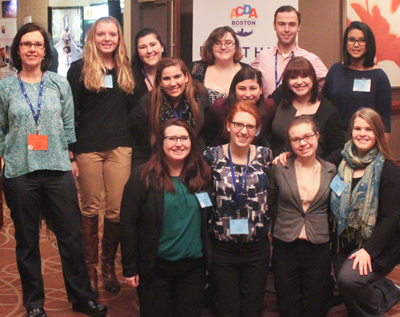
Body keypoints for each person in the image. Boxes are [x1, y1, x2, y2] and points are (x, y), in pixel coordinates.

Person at [0, 22, 106, 317]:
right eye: (26, 44)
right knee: (27, 241)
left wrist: (72, 157)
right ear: (17, 50)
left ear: (46, 50)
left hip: (58, 168)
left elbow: (69, 125)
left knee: (71, 236)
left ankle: (82, 297)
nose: (32, 49)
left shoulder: (59, 84)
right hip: (20, 171)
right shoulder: (5, 86)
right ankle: (34, 304)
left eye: (38, 44)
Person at [67, 16, 134, 297]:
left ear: (119, 38)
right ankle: (90, 269)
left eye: (113, 34)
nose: (108, 39)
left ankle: (108, 266)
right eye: (102, 34)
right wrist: (70, 152)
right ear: (93, 37)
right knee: (90, 208)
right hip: (88, 147)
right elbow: (69, 113)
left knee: (117, 209)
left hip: (120, 146)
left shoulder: (126, 69)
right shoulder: (79, 68)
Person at [120, 118, 212, 317]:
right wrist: (129, 267)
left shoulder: (203, 175)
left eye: (184, 138)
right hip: (155, 269)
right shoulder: (142, 177)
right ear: (160, 143)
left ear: (192, 142)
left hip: (193, 269)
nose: (178, 144)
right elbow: (128, 224)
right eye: (172, 138)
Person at [204, 101, 272, 317]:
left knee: (252, 310)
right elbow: (200, 194)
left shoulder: (267, 157)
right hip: (223, 247)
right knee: (227, 310)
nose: (244, 131)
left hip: (257, 247)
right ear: (228, 125)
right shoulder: (211, 157)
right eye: (238, 124)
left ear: (257, 130)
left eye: (250, 126)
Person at [330, 108, 400, 316]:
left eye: (368, 129)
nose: (362, 133)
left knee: (350, 281)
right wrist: (287, 155)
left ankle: (383, 297)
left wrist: (368, 250)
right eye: (357, 128)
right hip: (345, 240)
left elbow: (392, 219)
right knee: (346, 287)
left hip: (380, 245)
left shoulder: (388, 170)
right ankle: (386, 290)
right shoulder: (338, 160)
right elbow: (310, 162)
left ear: (377, 133)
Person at [268, 116, 336, 317]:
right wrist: (277, 228)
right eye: (296, 139)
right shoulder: (279, 168)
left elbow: (334, 207)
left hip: (318, 245)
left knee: (315, 304)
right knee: (288, 304)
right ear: (289, 143)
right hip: (285, 244)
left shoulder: (331, 170)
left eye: (308, 136)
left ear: (317, 136)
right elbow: (271, 202)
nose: (303, 143)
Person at [129, 57, 209, 170]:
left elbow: (207, 130)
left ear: (186, 77)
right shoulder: (148, 102)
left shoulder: (200, 94)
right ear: (160, 82)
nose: (173, 83)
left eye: (177, 76)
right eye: (166, 78)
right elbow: (137, 140)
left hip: (193, 160)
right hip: (161, 163)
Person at [322, 21, 392, 140]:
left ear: (369, 44)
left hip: (365, 140)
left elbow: (384, 123)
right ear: (346, 43)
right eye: (352, 40)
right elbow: (323, 106)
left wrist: (380, 154)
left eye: (362, 40)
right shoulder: (335, 70)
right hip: (335, 140)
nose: (356, 44)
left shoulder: (379, 77)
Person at [271, 57, 343, 164]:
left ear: (313, 78)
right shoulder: (279, 98)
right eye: (293, 77)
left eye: (305, 76)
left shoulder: (328, 111)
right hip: (277, 169)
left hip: (315, 173)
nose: (299, 82)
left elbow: (336, 151)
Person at [252, 5, 327, 99]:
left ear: (299, 27)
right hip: (269, 112)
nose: (287, 29)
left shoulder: (310, 59)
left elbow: (330, 87)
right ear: (274, 25)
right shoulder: (263, 56)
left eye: (292, 24)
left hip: (299, 112)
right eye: (282, 24)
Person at [201, 66, 275, 147]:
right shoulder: (219, 108)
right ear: (234, 90)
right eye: (242, 89)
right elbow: (208, 137)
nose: (248, 94)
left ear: (260, 90)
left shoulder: (269, 107)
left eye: (253, 88)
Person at [189, 26, 248, 104]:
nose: (223, 47)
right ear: (210, 47)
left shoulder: (247, 70)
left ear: (235, 46)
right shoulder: (195, 69)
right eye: (217, 43)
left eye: (228, 43)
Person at [128, 27, 166, 112]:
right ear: (138, 52)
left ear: (162, 47)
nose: (149, 51)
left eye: (153, 45)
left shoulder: (174, 74)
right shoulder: (129, 79)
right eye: (143, 47)